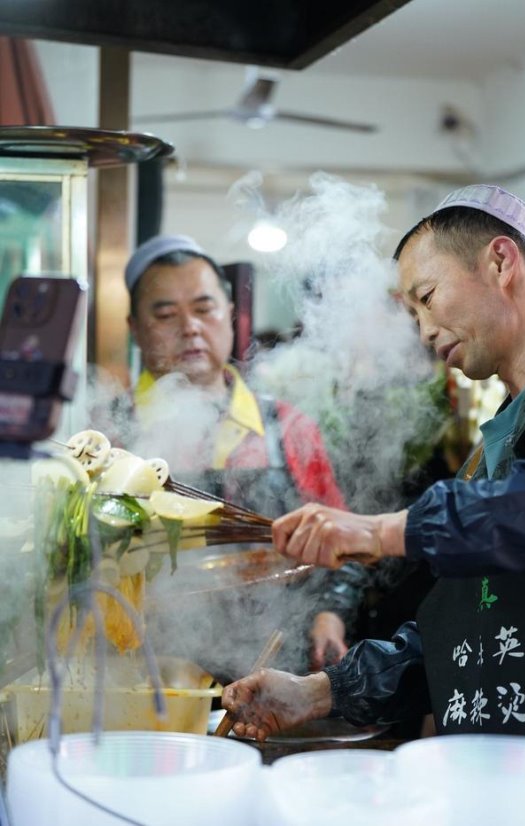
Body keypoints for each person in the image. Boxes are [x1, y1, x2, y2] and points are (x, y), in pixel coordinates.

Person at [221, 183, 525, 740]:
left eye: (427, 297)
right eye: (412, 313)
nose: (425, 332)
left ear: (501, 262)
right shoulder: (489, 448)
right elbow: (459, 625)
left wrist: (382, 530)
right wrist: (320, 690)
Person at [113, 233, 350, 677]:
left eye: (203, 309)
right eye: (165, 314)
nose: (190, 327)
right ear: (135, 328)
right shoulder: (108, 436)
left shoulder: (288, 427)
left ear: (230, 315)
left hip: (278, 672)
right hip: (150, 672)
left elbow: (343, 544)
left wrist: (329, 614)